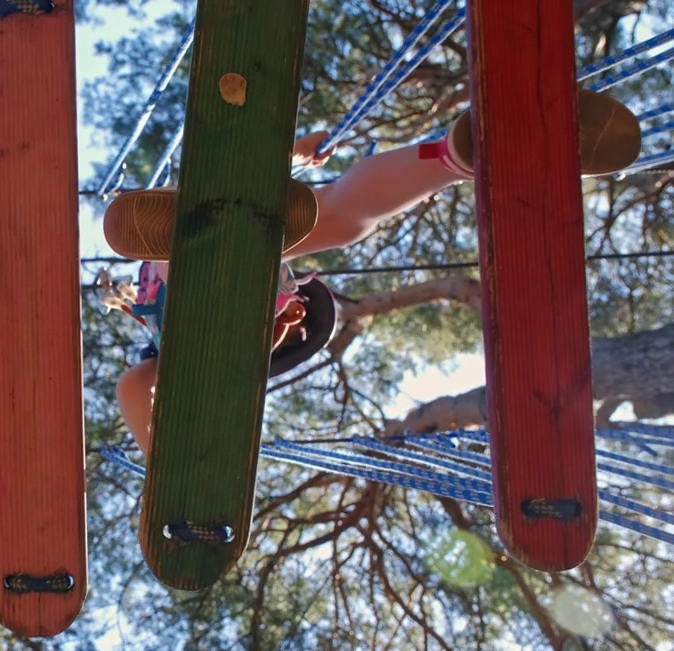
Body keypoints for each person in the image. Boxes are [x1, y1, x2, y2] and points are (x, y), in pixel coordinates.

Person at [104, 88, 642, 457]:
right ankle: (456, 160)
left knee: (325, 222)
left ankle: (202, 209)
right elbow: (136, 386)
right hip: (237, 257)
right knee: (338, 220)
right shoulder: (224, 329)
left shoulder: (165, 353)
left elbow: (134, 387)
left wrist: (163, 463)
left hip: (190, 261)